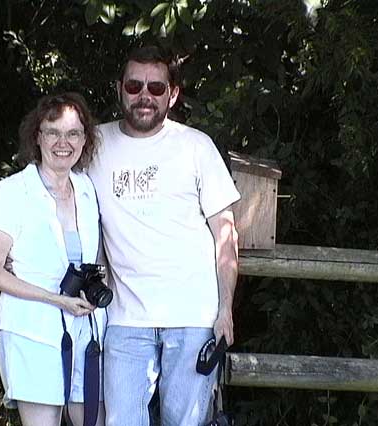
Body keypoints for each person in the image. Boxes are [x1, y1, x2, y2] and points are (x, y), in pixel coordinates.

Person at [87, 46, 241, 426]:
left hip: (192, 316)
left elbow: (225, 234)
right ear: (119, 88)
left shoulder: (196, 146)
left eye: (156, 87)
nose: (144, 95)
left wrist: (225, 308)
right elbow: (54, 189)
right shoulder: (93, 145)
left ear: (172, 94)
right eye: (134, 85)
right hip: (124, 316)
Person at [0, 92, 106, 426]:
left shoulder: (87, 190)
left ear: (85, 140)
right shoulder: (10, 193)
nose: (63, 142)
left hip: (87, 332)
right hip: (32, 331)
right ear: (37, 137)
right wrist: (55, 299)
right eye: (53, 132)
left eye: (73, 133)